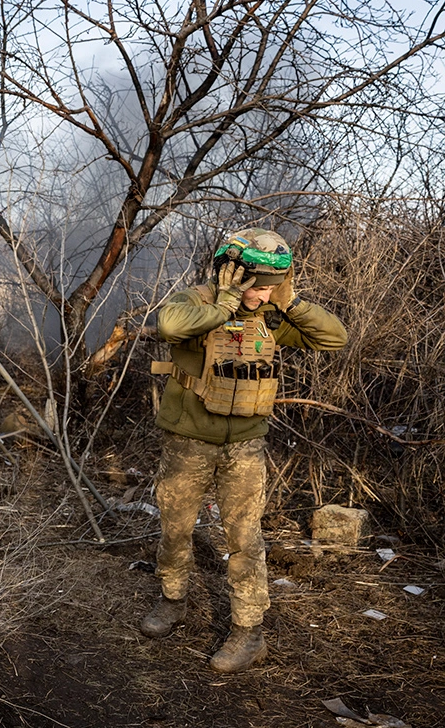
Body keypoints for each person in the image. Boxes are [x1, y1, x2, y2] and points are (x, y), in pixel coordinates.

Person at [142, 228, 347, 673]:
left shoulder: (273, 315)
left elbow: (334, 338)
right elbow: (170, 326)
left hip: (245, 447)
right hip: (188, 442)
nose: (264, 293)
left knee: (244, 539)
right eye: (258, 283)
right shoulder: (198, 301)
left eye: (273, 284)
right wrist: (226, 302)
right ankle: (172, 600)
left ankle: (248, 632)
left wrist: (288, 302)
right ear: (231, 272)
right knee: (175, 530)